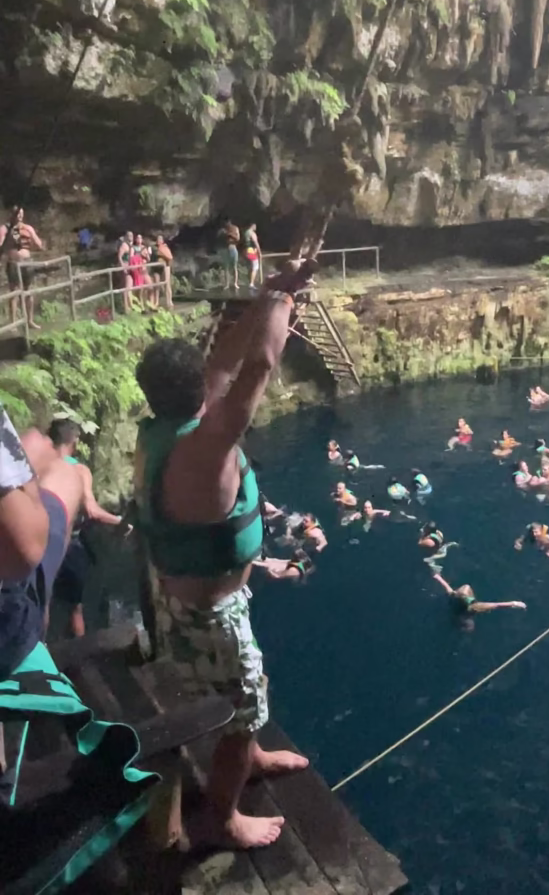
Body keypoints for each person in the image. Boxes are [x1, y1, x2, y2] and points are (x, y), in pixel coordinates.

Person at [133, 258, 315, 850]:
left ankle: (251, 751)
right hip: (212, 616)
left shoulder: (164, 428)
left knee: (245, 707)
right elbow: (258, 364)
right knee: (242, 711)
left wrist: (272, 291)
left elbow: (226, 361)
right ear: (196, 390)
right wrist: (287, 307)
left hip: (184, 594)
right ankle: (226, 816)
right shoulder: (208, 446)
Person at [0, 410, 83, 678]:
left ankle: (44, 618)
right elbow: (23, 554)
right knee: (68, 479)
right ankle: (44, 635)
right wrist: (25, 471)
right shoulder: (75, 468)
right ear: (74, 443)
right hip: (7, 632)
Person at [48, 419, 124, 637]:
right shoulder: (78, 470)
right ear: (74, 441)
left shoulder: (37, 465)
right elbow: (91, 510)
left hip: (36, 542)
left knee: (38, 602)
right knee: (76, 609)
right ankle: (79, 658)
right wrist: (120, 521)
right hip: (67, 546)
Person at [0, 206, 44, 329]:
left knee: (29, 292)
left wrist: (31, 236)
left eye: (21, 214)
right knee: (14, 292)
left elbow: (39, 244)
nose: (19, 216)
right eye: (17, 213)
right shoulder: (5, 229)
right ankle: (13, 322)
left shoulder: (28, 228)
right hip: (14, 263)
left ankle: (29, 320)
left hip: (27, 262)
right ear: (12, 214)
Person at [433, 574, 526, 619]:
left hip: (455, 609)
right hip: (464, 615)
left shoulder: (453, 595)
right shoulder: (474, 607)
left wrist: (438, 577)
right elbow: (497, 605)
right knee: (468, 627)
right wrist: (514, 603)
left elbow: (447, 586)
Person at [151, 233, 174, 309]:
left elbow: (170, 257)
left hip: (165, 266)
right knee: (158, 285)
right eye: (158, 239)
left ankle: (169, 301)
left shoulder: (164, 247)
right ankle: (157, 302)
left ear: (162, 241)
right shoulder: (154, 248)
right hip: (157, 267)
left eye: (160, 239)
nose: (159, 241)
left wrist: (161, 252)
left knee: (167, 284)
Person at [218, 218, 240, 291]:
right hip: (225, 249)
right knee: (226, 267)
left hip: (233, 247)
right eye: (225, 223)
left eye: (227, 223)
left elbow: (238, 238)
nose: (227, 224)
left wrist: (230, 235)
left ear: (230, 222)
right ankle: (227, 284)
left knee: (234, 266)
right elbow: (218, 238)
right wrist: (222, 234)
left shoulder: (235, 228)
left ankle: (235, 283)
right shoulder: (223, 230)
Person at [118, 231, 134, 312]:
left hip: (129, 267)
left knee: (129, 286)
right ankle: (126, 307)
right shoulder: (124, 245)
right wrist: (123, 267)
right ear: (126, 237)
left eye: (132, 235)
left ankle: (128, 305)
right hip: (125, 267)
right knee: (127, 286)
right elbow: (120, 256)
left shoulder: (130, 245)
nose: (131, 237)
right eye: (129, 235)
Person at [243, 224, 261, 290]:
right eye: (255, 226)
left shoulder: (245, 233)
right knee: (255, 267)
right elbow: (256, 243)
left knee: (250, 267)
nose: (256, 227)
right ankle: (251, 283)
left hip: (245, 250)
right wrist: (259, 252)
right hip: (251, 251)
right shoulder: (252, 233)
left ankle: (250, 282)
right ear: (252, 225)